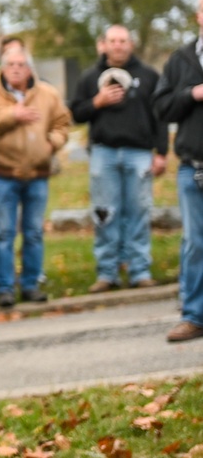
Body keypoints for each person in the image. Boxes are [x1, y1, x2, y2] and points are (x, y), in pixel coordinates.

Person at [69, 24, 167, 292]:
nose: (118, 45)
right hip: (104, 153)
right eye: (113, 40)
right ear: (104, 44)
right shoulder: (91, 78)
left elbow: (160, 116)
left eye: (123, 40)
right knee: (105, 213)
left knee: (139, 211)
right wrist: (97, 102)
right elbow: (76, 113)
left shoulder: (148, 76)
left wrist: (162, 153)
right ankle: (107, 273)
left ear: (130, 44)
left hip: (140, 153)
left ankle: (139, 270)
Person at [0, 47, 72, 308]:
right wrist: (12, 115)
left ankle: (30, 285)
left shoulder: (48, 94)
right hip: (4, 175)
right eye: (11, 64)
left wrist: (52, 142)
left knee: (33, 233)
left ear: (29, 68)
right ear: (3, 68)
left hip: (38, 174)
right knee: (4, 233)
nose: (16, 68)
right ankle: (5, 288)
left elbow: (63, 122)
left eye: (21, 64)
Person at [152, 0, 203, 343]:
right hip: (193, 168)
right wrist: (192, 94)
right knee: (196, 243)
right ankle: (194, 315)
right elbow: (162, 106)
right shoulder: (180, 59)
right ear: (198, 16)